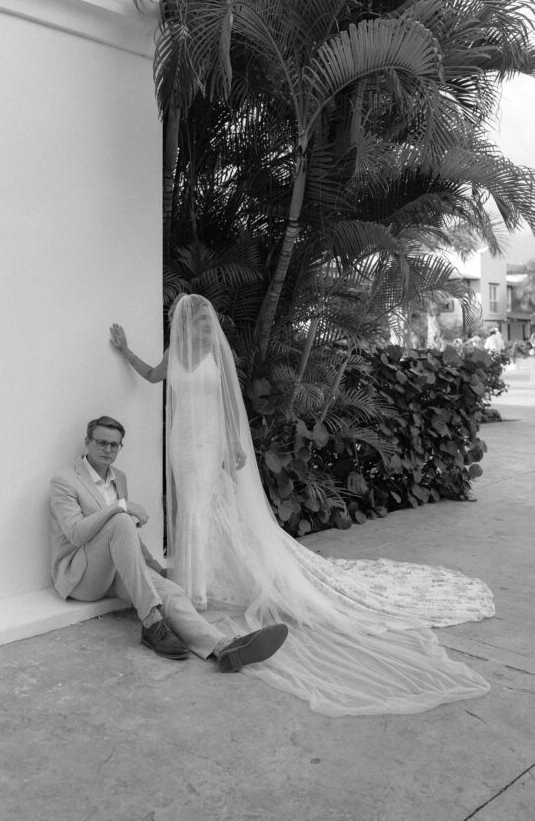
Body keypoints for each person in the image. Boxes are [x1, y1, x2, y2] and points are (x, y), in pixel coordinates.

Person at [110, 295, 495, 717]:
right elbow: (152, 376)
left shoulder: (215, 352)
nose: (201, 326)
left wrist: (235, 444)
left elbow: (227, 404)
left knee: (201, 506)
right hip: (182, 443)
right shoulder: (175, 353)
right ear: (184, 323)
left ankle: (196, 586)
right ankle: (194, 579)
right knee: (191, 507)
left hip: (209, 440)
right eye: (195, 321)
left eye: (204, 320)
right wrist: (125, 350)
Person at [49, 414, 288, 671]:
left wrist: (155, 568)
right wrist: (120, 506)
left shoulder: (119, 477)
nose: (108, 449)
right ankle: (151, 622)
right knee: (120, 519)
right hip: (82, 578)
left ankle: (224, 647)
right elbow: (75, 533)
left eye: (114, 445)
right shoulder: (64, 481)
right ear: (87, 442)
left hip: (115, 571)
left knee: (169, 591)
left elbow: (127, 536)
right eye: (101, 442)